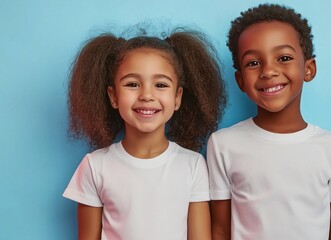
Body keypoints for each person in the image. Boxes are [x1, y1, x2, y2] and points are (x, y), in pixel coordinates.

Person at [207, 3, 331, 240]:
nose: (268, 71)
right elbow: (219, 230)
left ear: (308, 69)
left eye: (283, 57)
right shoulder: (223, 144)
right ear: (240, 80)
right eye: (253, 62)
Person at [63, 26, 226, 239]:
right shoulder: (95, 166)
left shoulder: (193, 165)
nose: (147, 95)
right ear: (113, 96)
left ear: (177, 98)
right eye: (132, 84)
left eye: (160, 84)